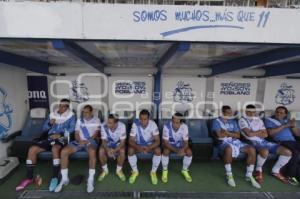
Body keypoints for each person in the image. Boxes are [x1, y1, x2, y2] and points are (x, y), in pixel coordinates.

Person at [16, 99, 76, 191]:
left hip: (62, 138)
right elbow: (44, 129)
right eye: (60, 105)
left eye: (64, 106)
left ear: (67, 107)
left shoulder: (71, 116)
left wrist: (60, 134)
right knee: (32, 149)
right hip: (50, 137)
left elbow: (72, 129)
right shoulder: (52, 114)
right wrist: (49, 123)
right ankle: (29, 178)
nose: (61, 107)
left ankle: (55, 177)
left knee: (55, 149)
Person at [239, 104, 292, 185]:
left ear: (255, 112)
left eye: (253, 112)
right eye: (249, 111)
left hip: (263, 141)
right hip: (250, 142)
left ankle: (275, 171)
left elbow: (266, 135)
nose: (251, 113)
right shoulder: (242, 120)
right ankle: (258, 170)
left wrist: (255, 133)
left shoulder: (259, 120)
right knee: (265, 151)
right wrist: (259, 132)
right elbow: (248, 134)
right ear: (246, 111)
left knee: (287, 152)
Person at [54, 105, 100, 193]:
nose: (84, 114)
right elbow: (76, 134)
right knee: (64, 151)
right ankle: (64, 179)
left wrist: (87, 141)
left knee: (92, 151)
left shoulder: (96, 120)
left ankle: (90, 179)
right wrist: (80, 141)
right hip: (79, 141)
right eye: (83, 112)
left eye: (86, 112)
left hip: (90, 141)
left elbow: (96, 134)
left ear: (91, 112)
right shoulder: (79, 120)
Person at [212, 105, 259, 188]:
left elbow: (238, 136)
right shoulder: (216, 121)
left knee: (251, 149)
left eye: (231, 113)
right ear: (222, 113)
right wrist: (230, 134)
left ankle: (249, 174)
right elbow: (220, 135)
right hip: (222, 142)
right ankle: (229, 174)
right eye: (227, 113)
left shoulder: (233, 121)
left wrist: (227, 132)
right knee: (229, 149)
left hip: (235, 141)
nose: (230, 115)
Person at [265, 106, 300, 185]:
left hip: (293, 141)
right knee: (295, 153)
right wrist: (285, 125)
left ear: (285, 114)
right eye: (277, 112)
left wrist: (293, 126)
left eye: (281, 113)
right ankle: (289, 175)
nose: (278, 114)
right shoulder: (269, 120)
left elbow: (297, 133)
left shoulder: (287, 120)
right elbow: (270, 133)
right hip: (282, 142)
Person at [127, 109, 161, 185]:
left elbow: (158, 140)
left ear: (148, 119)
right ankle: (135, 171)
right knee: (130, 150)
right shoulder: (135, 124)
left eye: (145, 119)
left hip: (150, 146)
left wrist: (149, 148)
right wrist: (138, 147)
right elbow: (130, 140)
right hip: (138, 145)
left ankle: (153, 172)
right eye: (141, 119)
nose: (143, 121)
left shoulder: (153, 124)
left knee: (158, 150)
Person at [161, 112, 193, 183]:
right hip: (169, 145)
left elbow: (186, 142)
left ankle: (184, 170)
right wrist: (177, 151)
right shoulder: (166, 126)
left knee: (189, 152)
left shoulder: (184, 127)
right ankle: (165, 171)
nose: (175, 124)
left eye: (177, 123)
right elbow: (166, 142)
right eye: (173, 122)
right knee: (165, 151)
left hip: (180, 145)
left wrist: (182, 149)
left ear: (181, 123)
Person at [98, 114, 127, 182]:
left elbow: (122, 142)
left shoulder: (122, 126)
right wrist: (108, 150)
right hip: (108, 143)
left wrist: (114, 150)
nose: (107, 124)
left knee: (122, 151)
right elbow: (103, 141)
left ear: (116, 123)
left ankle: (119, 170)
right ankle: (104, 170)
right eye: (108, 122)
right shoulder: (103, 125)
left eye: (110, 123)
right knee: (101, 151)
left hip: (118, 143)